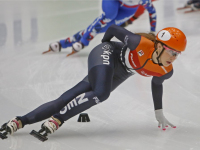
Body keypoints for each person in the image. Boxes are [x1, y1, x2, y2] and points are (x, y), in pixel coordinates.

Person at [0, 24, 187, 141]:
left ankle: (19, 121)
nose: (175, 57)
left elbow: (157, 84)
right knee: (102, 93)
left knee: (67, 98)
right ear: (161, 46)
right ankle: (58, 119)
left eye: (178, 54)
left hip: (120, 72)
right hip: (107, 53)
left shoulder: (166, 70)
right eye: (173, 52)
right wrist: (104, 45)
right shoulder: (139, 43)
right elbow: (113, 29)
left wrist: (159, 112)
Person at [43, 0, 157, 56]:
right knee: (108, 16)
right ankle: (83, 41)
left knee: (104, 28)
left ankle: (64, 43)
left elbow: (152, 12)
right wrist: (83, 43)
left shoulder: (144, 1)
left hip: (128, 9)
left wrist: (152, 31)